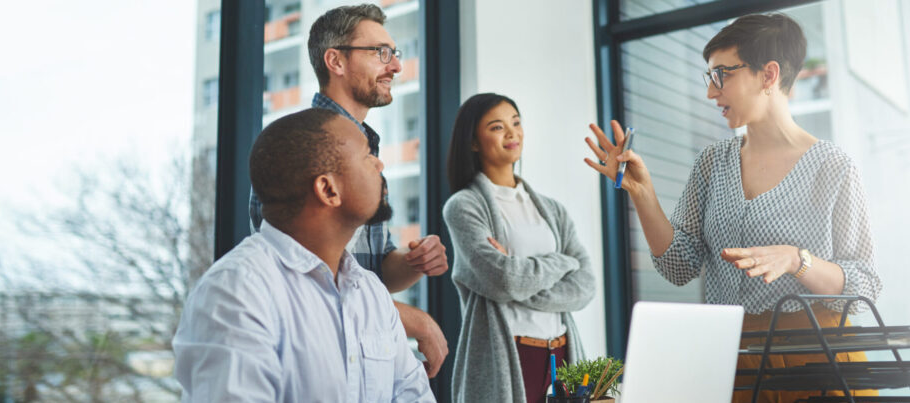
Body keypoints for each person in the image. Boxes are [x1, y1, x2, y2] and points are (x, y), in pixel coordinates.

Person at [583, 14, 881, 403]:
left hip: (819, 362)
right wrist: (642, 193)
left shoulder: (833, 166)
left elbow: (865, 283)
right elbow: (678, 265)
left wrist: (797, 260)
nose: (711, 92)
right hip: (731, 362)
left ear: (768, 75)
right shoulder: (712, 163)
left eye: (722, 74)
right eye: (709, 77)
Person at [173, 108, 435, 402]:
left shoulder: (371, 293)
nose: (379, 164)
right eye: (366, 157)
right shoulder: (235, 293)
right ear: (328, 189)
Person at [248, 3, 450, 378]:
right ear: (335, 61)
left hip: (365, 354)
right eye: (381, 53)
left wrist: (413, 262)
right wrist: (413, 320)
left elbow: (376, 270)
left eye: (395, 54)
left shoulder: (368, 149)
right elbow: (306, 280)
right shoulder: (297, 147)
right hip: (317, 361)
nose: (396, 66)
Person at [443, 93, 596, 403]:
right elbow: (505, 280)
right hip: (510, 355)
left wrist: (520, 274)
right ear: (473, 142)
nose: (512, 133)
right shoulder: (464, 207)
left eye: (516, 122)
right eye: (498, 127)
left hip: (563, 355)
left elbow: (586, 286)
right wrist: (563, 263)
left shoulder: (553, 210)